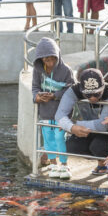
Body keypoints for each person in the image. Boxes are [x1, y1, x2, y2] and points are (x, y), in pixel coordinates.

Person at [56, 68, 108, 179]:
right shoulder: (74, 90)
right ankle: (101, 162)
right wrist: (72, 127)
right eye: (88, 95)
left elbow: (102, 125)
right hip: (88, 128)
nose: (92, 98)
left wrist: (73, 124)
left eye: (97, 94)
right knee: (72, 145)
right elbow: (59, 115)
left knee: (98, 146)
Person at [32, 37, 75, 180]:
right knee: (48, 138)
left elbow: (71, 91)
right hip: (44, 111)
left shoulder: (66, 70)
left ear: (57, 56)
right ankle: (52, 163)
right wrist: (37, 97)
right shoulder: (37, 70)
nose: (50, 63)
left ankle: (64, 164)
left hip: (61, 112)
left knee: (59, 137)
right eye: (46, 60)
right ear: (41, 59)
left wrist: (55, 95)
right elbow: (35, 88)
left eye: (53, 59)